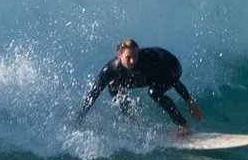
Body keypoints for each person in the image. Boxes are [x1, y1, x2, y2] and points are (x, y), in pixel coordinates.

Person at [73, 38, 204, 133]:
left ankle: (182, 125)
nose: (133, 61)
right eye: (128, 57)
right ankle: (131, 118)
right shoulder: (110, 70)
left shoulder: (148, 59)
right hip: (145, 77)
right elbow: (93, 94)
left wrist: (189, 102)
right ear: (119, 55)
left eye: (135, 56)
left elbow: (173, 80)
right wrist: (79, 118)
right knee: (113, 86)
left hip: (170, 66)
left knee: (154, 92)